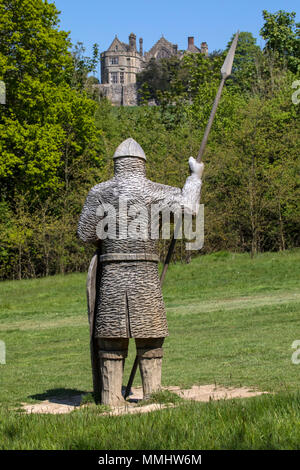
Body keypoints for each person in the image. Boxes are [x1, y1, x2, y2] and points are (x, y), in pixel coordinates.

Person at [77, 138, 204, 405]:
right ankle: (153, 395)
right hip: (144, 272)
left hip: (112, 271)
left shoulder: (99, 192)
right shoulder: (153, 190)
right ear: (141, 165)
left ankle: (111, 399)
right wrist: (195, 178)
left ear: (117, 165)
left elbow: (85, 233)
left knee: (112, 337)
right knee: (151, 335)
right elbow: (190, 208)